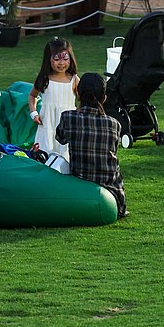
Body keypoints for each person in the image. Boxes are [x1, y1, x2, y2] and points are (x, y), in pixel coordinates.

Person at [55, 72, 127, 218]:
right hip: (113, 197)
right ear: (104, 98)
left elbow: (60, 138)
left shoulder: (68, 117)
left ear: (78, 94)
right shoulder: (114, 124)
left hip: (81, 191)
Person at [28, 38, 78, 159]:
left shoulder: (74, 80)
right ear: (48, 59)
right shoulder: (44, 79)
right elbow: (32, 95)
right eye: (56, 59)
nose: (61, 63)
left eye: (65, 59)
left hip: (67, 124)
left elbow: (82, 99)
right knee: (45, 153)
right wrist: (34, 113)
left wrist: (78, 115)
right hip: (47, 123)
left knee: (65, 154)